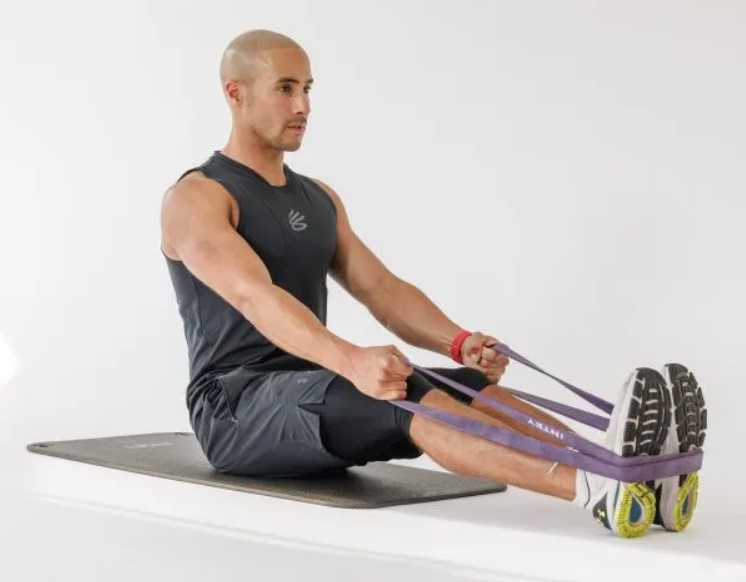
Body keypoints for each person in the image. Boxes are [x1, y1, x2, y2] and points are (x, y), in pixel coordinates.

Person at [160, 29, 705, 538]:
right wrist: (348, 359)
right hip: (234, 406)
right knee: (411, 398)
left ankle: (619, 466)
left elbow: (382, 288)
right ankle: (592, 489)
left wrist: (458, 341)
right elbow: (255, 296)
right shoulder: (198, 197)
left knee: (468, 387)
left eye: (307, 88)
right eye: (284, 89)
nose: (302, 106)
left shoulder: (318, 198)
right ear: (236, 93)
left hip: (311, 384)